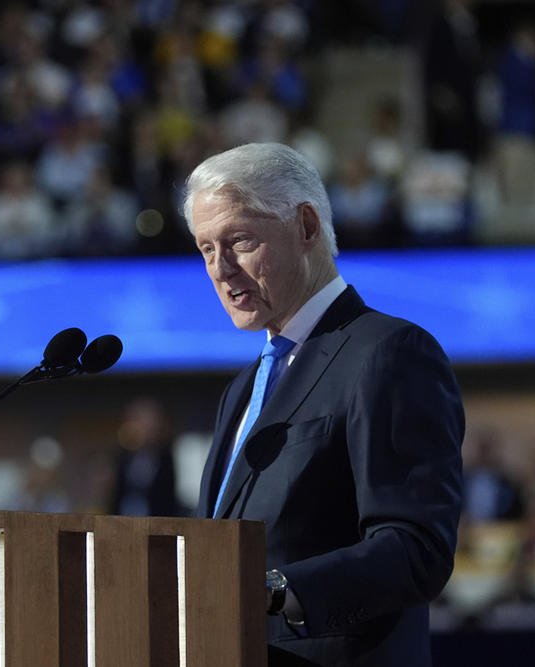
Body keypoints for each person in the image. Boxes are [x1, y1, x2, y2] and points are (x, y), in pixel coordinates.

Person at [183, 143, 464, 666]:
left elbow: (415, 549)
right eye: (205, 249)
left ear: (307, 226)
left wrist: (273, 589)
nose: (220, 269)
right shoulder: (241, 389)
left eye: (239, 241)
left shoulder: (388, 353)